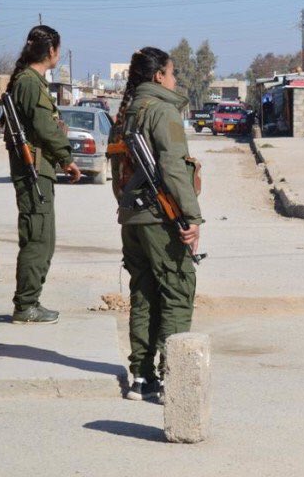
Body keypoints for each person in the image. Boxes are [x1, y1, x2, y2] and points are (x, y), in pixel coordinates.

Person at [112, 47, 202, 401]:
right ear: (158, 77)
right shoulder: (162, 111)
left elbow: (118, 173)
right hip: (159, 217)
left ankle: (141, 377)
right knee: (178, 289)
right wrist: (192, 217)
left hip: (132, 217)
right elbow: (174, 167)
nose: (175, 79)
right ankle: (172, 378)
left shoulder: (126, 112)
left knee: (144, 294)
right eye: (172, 73)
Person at [5, 25, 82, 325]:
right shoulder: (29, 82)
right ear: (50, 51)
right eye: (58, 50)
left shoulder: (30, 80)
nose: (58, 55)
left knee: (43, 238)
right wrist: (66, 158)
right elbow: (44, 127)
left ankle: (31, 301)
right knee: (37, 238)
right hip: (33, 171)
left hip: (40, 170)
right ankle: (25, 306)